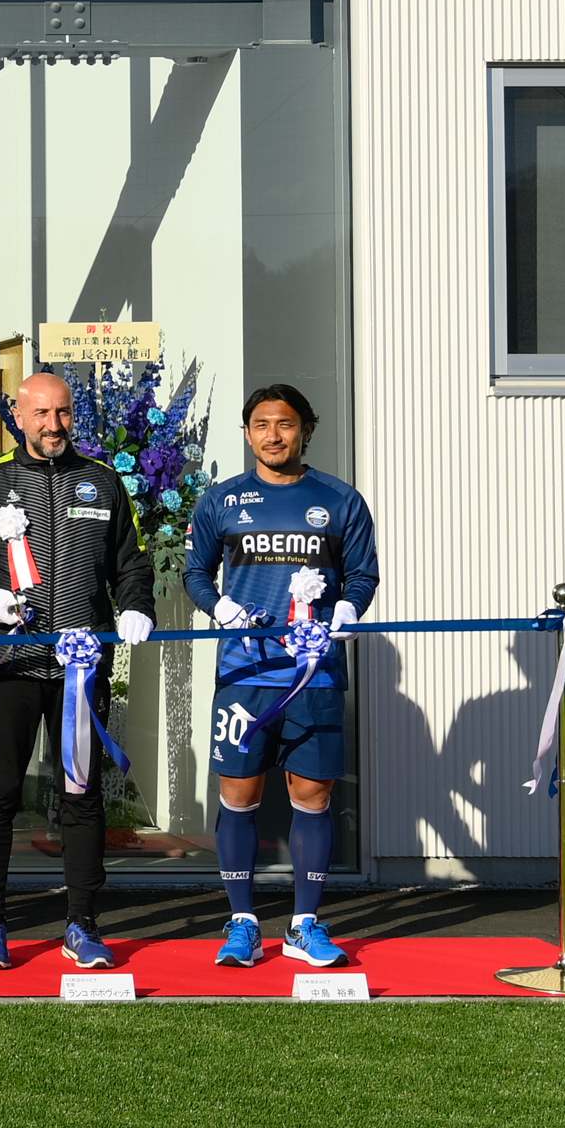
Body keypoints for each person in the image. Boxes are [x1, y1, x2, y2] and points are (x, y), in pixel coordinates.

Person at [0, 370, 156, 973]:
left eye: (62, 413)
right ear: (18, 416)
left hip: (79, 670)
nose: (53, 425)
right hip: (7, 665)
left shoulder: (104, 481)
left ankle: (83, 924)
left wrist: (136, 605)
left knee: (80, 797)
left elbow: (131, 563)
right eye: (41, 413)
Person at [184, 384, 380, 970]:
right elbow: (196, 572)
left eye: (286, 424)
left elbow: (362, 575)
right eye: (262, 425)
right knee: (239, 795)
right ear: (247, 433)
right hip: (245, 672)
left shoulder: (341, 500)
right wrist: (218, 606)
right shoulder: (221, 500)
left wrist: (349, 609)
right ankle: (242, 922)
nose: (274, 435)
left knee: (312, 796)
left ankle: (304, 925)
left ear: (306, 430)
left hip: (314, 674)